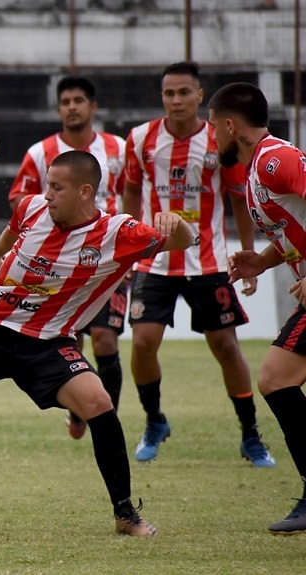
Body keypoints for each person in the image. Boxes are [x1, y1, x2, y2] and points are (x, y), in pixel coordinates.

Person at [0, 150, 193, 536]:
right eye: (47, 185)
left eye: (57, 187)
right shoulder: (34, 207)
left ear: (85, 192)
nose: (47, 194)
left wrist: (176, 224)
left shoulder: (117, 233)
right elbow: (16, 222)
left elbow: (184, 241)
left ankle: (125, 514)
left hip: (47, 342)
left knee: (98, 403)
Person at [121, 61, 274, 466]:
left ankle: (251, 434)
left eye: (184, 92)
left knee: (226, 346)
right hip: (154, 264)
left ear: (200, 96)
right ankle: (155, 421)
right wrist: (127, 246)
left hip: (208, 262)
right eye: (169, 93)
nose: (176, 100)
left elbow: (239, 198)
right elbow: (132, 192)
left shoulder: (218, 142)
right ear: (162, 97)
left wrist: (248, 254)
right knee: (141, 343)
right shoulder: (140, 140)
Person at [210, 82, 306, 534]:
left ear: (231, 126)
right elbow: (295, 225)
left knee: (274, 377)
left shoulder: (275, 159)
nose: (212, 139)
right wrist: (263, 260)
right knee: (277, 378)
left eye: (214, 129)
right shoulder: (256, 171)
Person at [9, 76, 128, 440]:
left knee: (105, 339)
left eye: (79, 100)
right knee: (68, 339)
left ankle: (106, 419)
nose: (72, 106)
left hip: (108, 262)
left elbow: (135, 194)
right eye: (65, 101)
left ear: (93, 108)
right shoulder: (40, 153)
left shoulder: (118, 150)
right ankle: (79, 408)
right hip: (61, 265)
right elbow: (19, 200)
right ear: (59, 109)